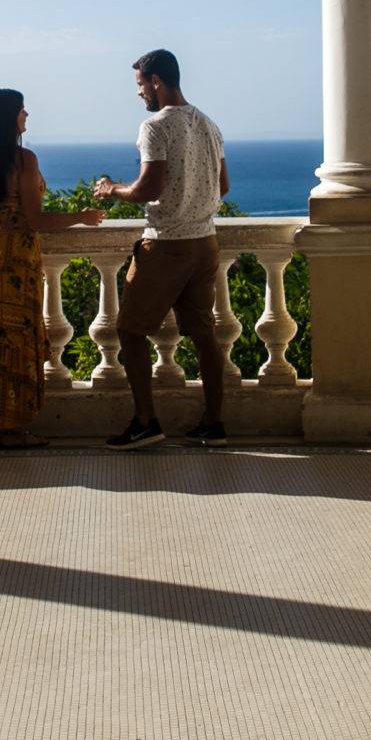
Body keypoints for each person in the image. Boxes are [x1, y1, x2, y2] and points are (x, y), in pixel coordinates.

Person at [94, 49, 231, 448]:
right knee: (204, 335)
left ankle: (146, 422)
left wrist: (111, 189)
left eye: (140, 85)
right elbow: (223, 186)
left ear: (156, 81)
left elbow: (148, 188)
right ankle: (214, 423)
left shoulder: (155, 126)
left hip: (166, 245)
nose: (139, 93)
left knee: (129, 330)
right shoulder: (208, 124)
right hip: (204, 243)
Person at [0, 88, 102, 449]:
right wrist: (81, 217)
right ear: (9, 118)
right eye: (22, 110)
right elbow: (36, 219)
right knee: (18, 336)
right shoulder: (24, 160)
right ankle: (12, 429)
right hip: (17, 254)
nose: (27, 115)